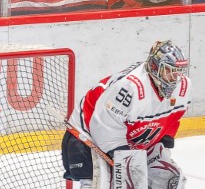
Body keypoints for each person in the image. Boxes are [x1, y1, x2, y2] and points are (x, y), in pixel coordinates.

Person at [62, 40, 189, 189]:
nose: (175, 78)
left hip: (128, 139)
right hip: (86, 136)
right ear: (154, 67)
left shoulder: (183, 87)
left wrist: (160, 152)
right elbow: (105, 127)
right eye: (169, 71)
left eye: (178, 72)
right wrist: (127, 166)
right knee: (97, 185)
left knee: (168, 179)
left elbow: (171, 120)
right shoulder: (130, 87)